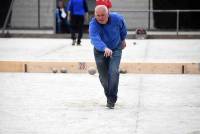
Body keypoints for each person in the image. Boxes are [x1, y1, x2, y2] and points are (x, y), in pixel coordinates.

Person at [89, 5, 127, 109]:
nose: (100, 18)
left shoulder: (117, 18)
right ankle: (109, 95)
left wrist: (123, 39)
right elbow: (94, 38)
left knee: (113, 72)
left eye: (103, 15)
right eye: (98, 15)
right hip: (100, 51)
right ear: (95, 15)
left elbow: (123, 29)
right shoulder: (93, 24)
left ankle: (111, 100)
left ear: (108, 13)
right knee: (104, 78)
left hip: (115, 49)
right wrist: (104, 48)